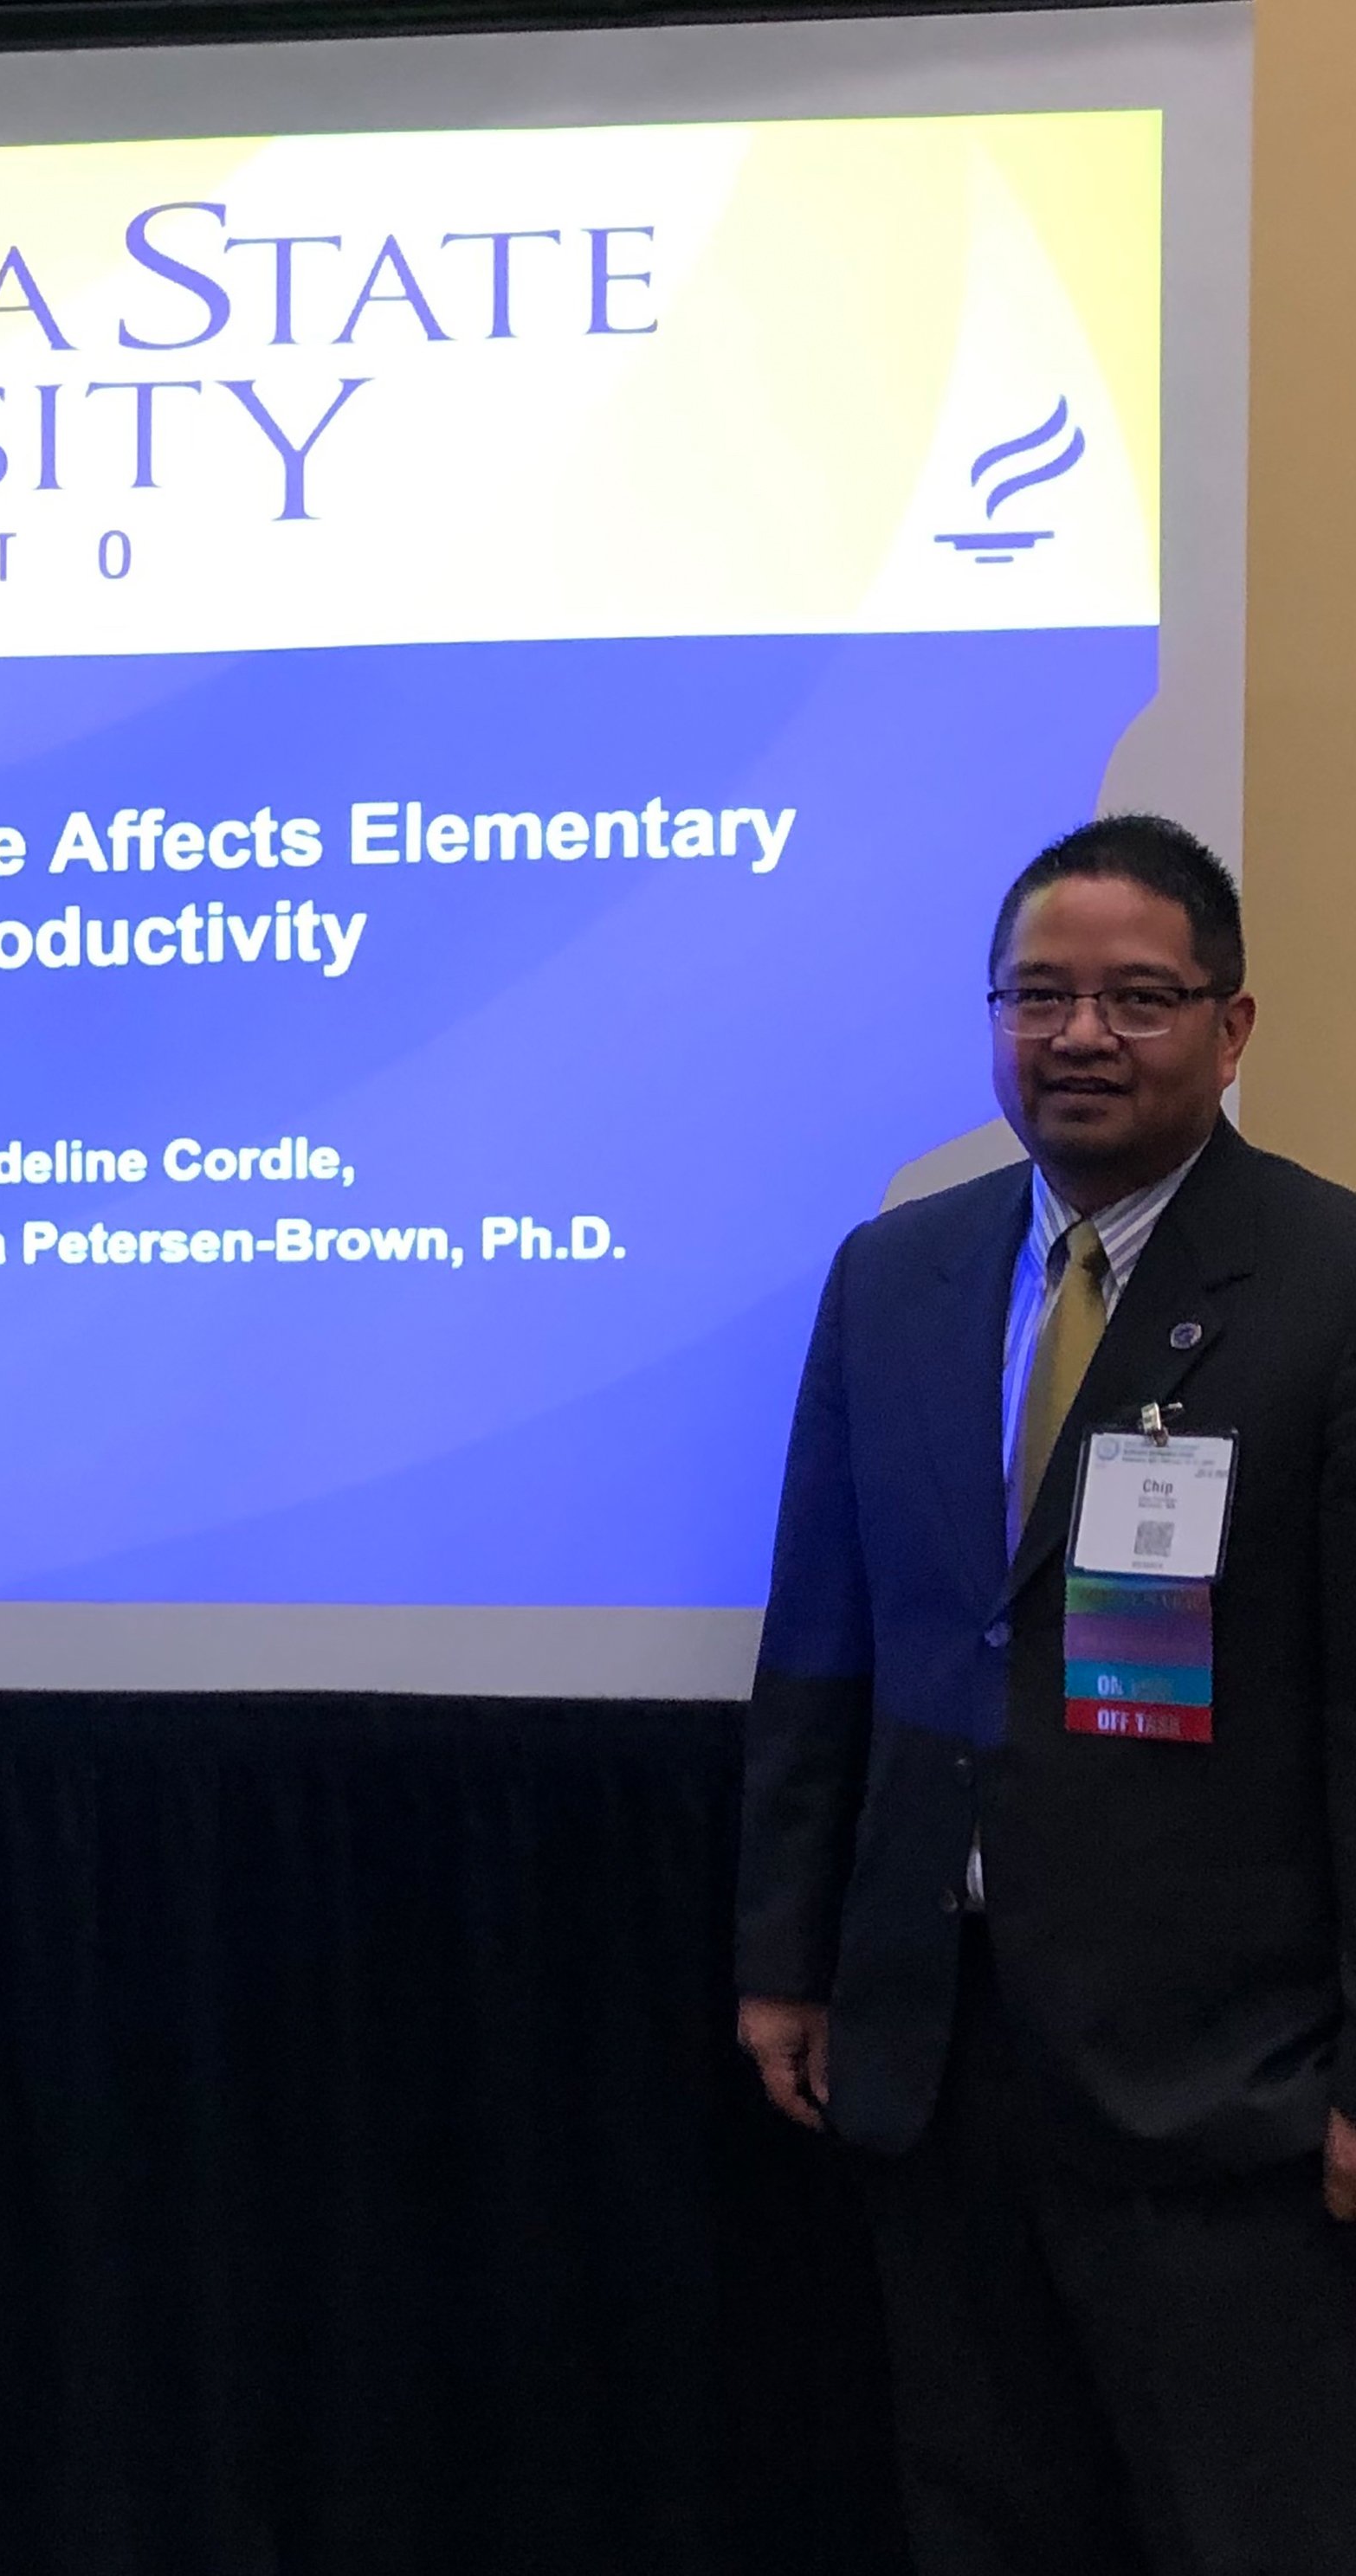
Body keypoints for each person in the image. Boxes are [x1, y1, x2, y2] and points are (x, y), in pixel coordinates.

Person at [737, 815, 1356, 2573]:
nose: (1078, 1036)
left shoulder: (1326, 1283)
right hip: (939, 2043)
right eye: (1038, 996)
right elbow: (826, 1637)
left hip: (1224, 2077)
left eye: (1136, 998)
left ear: (1229, 1031)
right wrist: (789, 1953)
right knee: (982, 2516)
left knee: (1242, 2524)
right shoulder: (897, 1274)